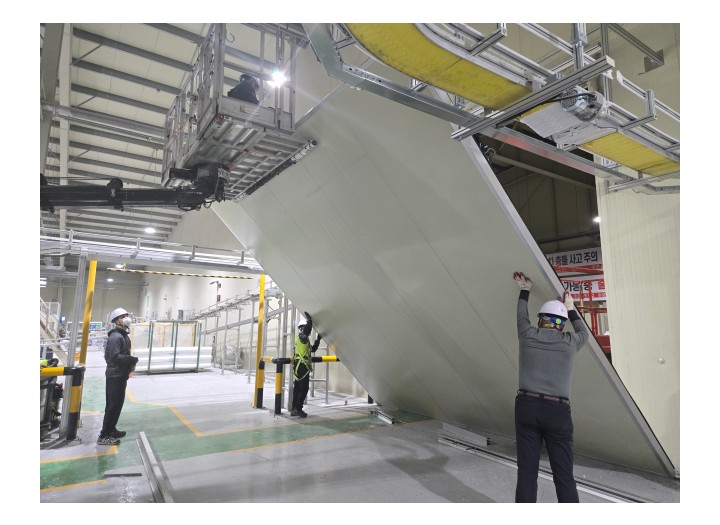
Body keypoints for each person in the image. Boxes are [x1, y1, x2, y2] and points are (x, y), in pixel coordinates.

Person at [512, 271, 589, 503]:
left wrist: (525, 290)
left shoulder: (527, 335)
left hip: (526, 406)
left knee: (527, 471)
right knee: (563, 475)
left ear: (540, 319)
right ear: (562, 324)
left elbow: (521, 316)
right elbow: (583, 332)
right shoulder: (569, 342)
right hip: (557, 411)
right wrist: (571, 308)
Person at [97, 307, 138, 445]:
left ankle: (111, 429)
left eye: (126, 315)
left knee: (117, 404)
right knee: (112, 405)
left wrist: (129, 363)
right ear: (116, 321)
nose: (126, 318)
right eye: (122, 316)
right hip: (114, 375)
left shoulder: (123, 335)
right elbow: (114, 357)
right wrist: (132, 360)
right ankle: (104, 436)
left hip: (121, 374)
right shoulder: (116, 337)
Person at [290, 312, 321, 418]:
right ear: (302, 328)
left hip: (299, 367)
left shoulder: (303, 341)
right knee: (303, 388)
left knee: (298, 388)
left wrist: (318, 339)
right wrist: (310, 321)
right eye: (305, 327)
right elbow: (306, 331)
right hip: (302, 367)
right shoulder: (302, 337)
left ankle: (294, 409)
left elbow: (313, 349)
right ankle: (298, 409)